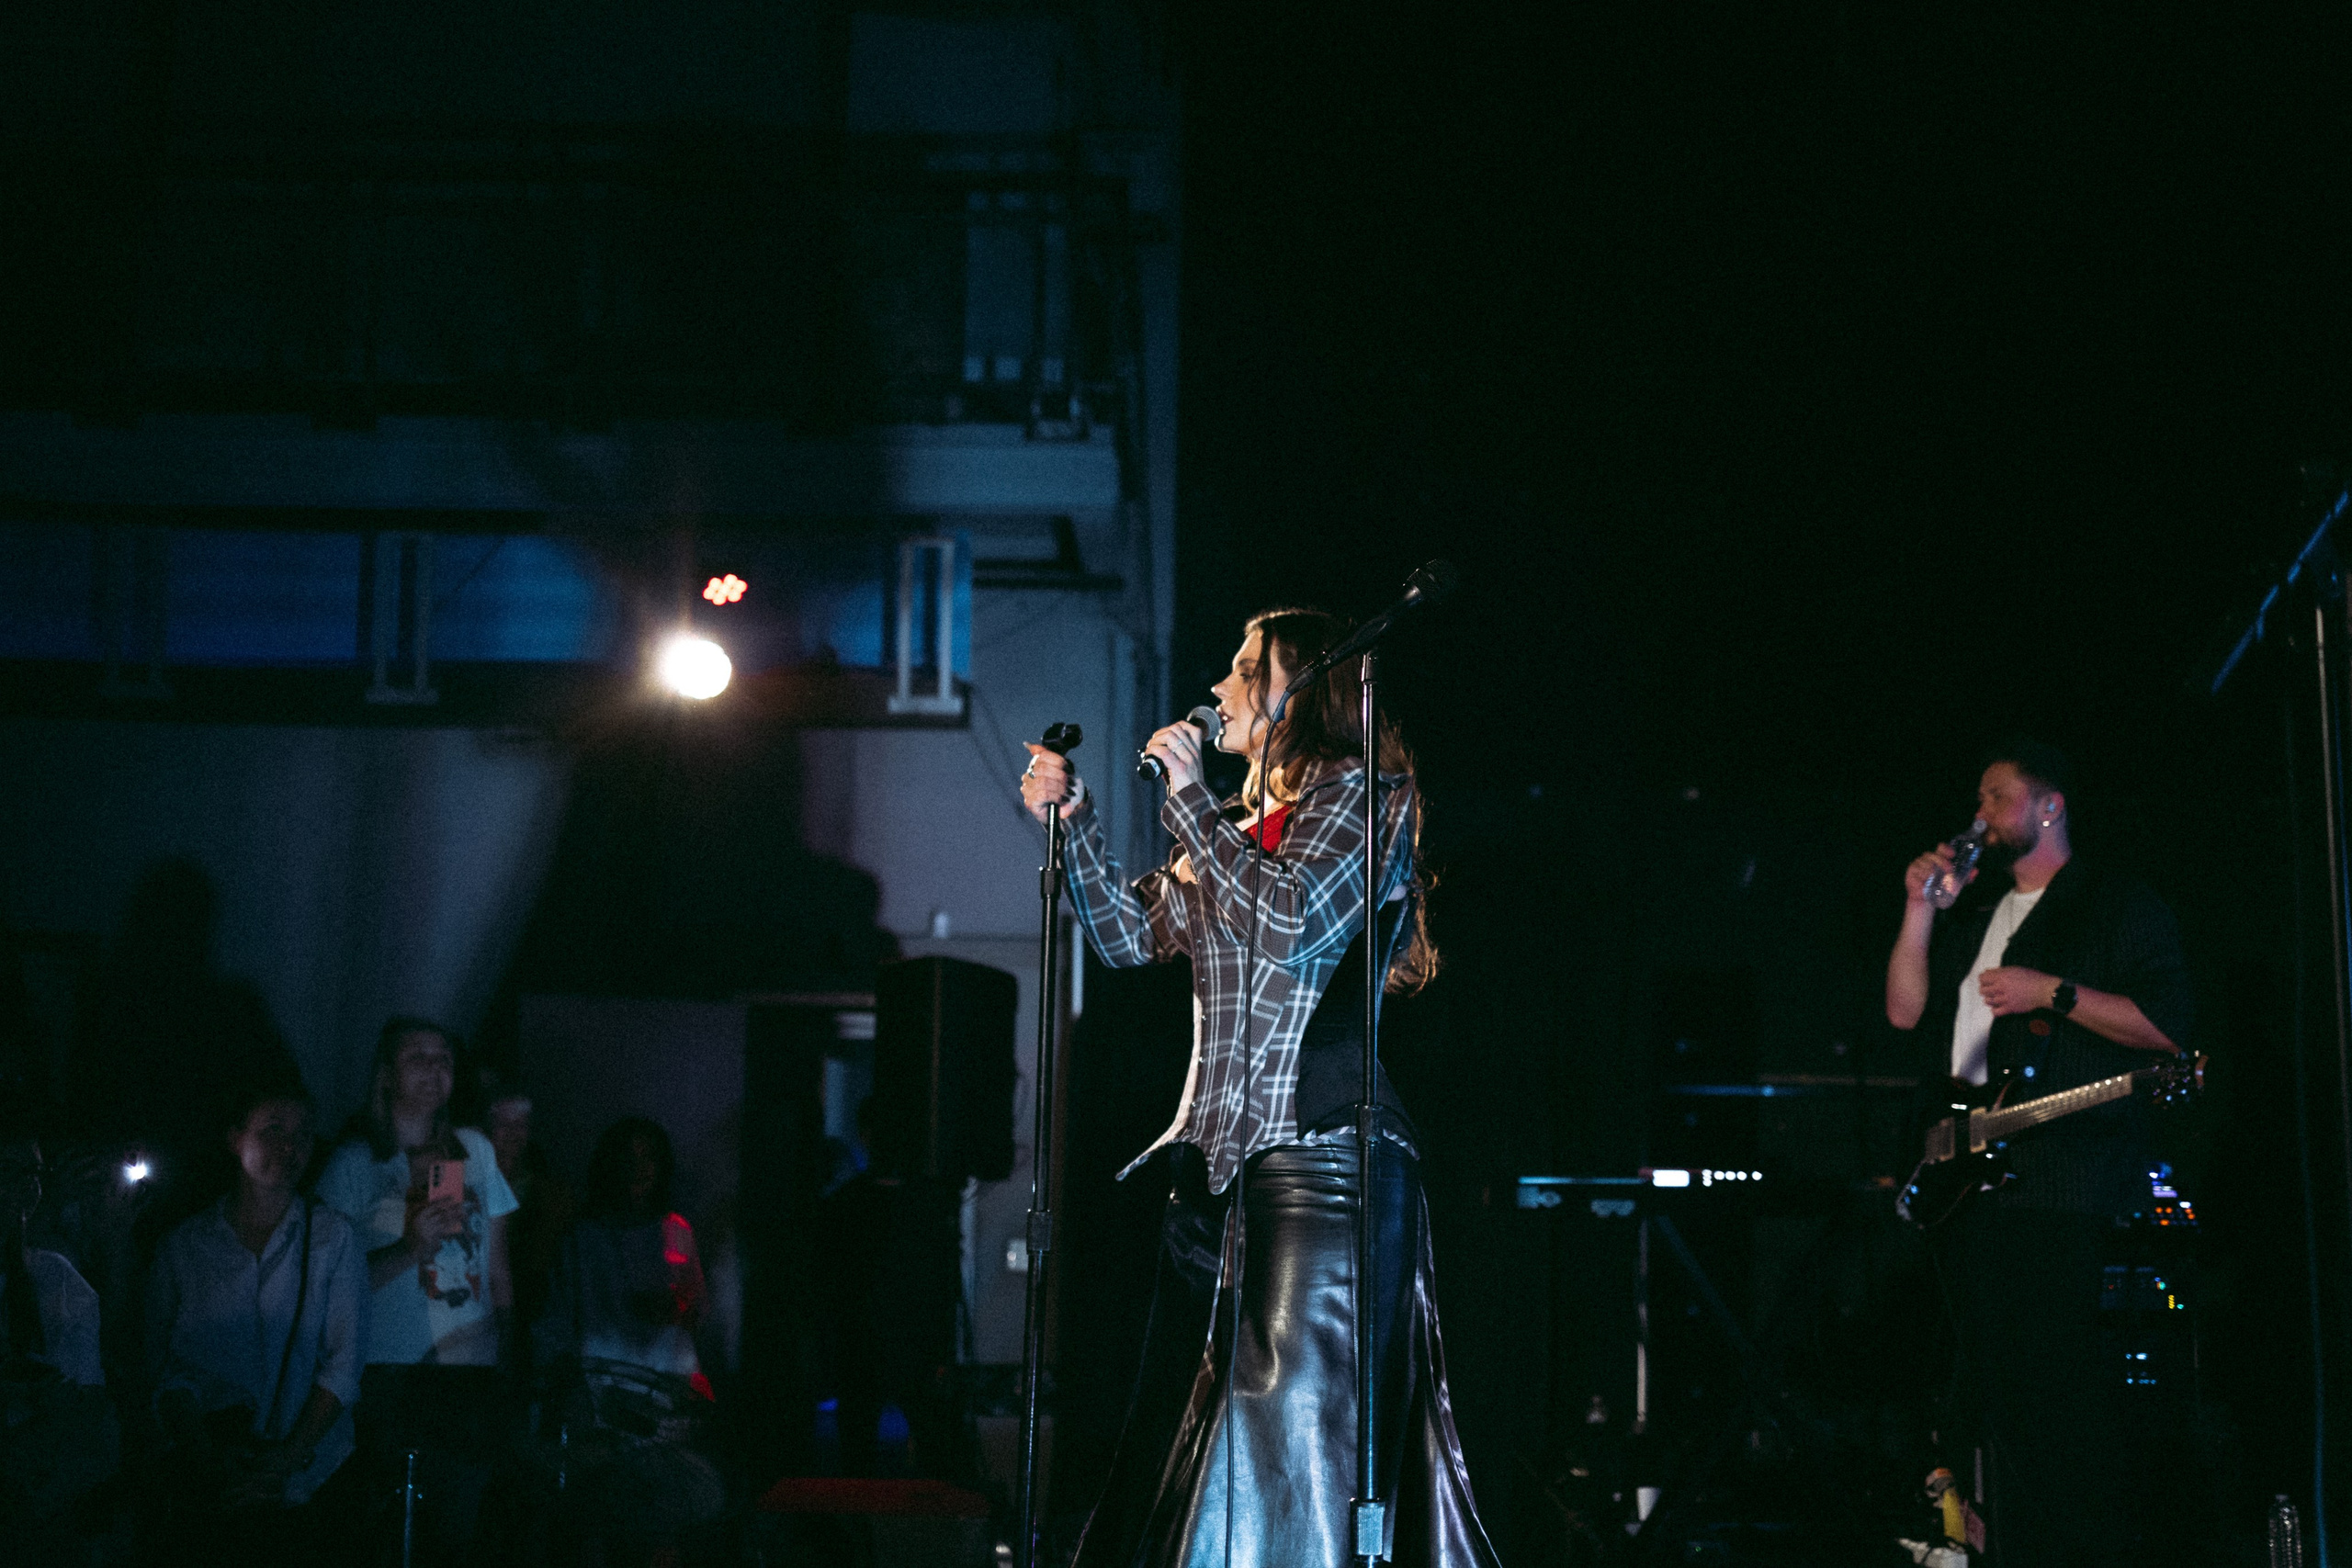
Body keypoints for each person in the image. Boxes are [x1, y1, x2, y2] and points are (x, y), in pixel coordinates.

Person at [1020, 607, 1500, 1568]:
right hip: (1227, 1163)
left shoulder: (1372, 800)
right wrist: (1073, 829)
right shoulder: (1240, 829)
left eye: (1247, 670)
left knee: (1282, 1428)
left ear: (1304, 694)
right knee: (1205, 1439)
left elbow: (1288, 923)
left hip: (1329, 1155)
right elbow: (1125, 937)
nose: (1223, 688)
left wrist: (1191, 799)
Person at [1883, 740, 2194, 1568]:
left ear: (2049, 805)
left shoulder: (2111, 905)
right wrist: (1920, 908)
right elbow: (1907, 1013)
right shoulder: (1976, 915)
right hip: (1967, 1180)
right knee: (1972, 1383)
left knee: (2052, 1390)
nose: (1979, 814)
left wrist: (2050, 992)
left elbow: (2167, 1029)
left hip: (2061, 1177)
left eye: (1996, 796)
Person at [318, 1018, 518, 1559]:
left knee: (456, 1528)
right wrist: (409, 1248)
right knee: (385, 1525)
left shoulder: (474, 1149)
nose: (434, 1070)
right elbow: (326, 1287)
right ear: (386, 1075)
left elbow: (498, 1265)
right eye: (417, 1058)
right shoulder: (357, 1163)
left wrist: (510, 1352)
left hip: (470, 1364)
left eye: (445, 1059)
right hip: (389, 1368)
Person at [145, 1075, 364, 1559]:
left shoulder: (332, 1237)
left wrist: (284, 1461)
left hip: (310, 1480)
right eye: (273, 1129)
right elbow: (161, 1366)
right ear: (234, 1138)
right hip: (210, 1476)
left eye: (302, 1134)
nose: (290, 1146)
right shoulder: (186, 1247)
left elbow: (344, 1365)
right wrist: (208, 1457)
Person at [527, 1116, 723, 1564]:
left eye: (649, 1156)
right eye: (630, 1157)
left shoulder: (674, 1228)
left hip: (665, 1381)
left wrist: (671, 1309)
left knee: (663, 1506)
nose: (641, 1168)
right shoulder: (582, 1234)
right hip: (598, 1387)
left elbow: (697, 1306)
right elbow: (558, 1313)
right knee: (598, 1503)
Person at [0, 1108, 119, 1539]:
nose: (24, 1187)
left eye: (32, 1172)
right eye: (7, 1171)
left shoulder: (58, 1279)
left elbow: (92, 1409)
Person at [481, 1077, 571, 1357]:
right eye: (503, 1124)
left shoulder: (550, 1193)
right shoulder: (468, 1183)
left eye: (520, 1124)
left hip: (531, 1319)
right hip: (476, 1311)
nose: (512, 1133)